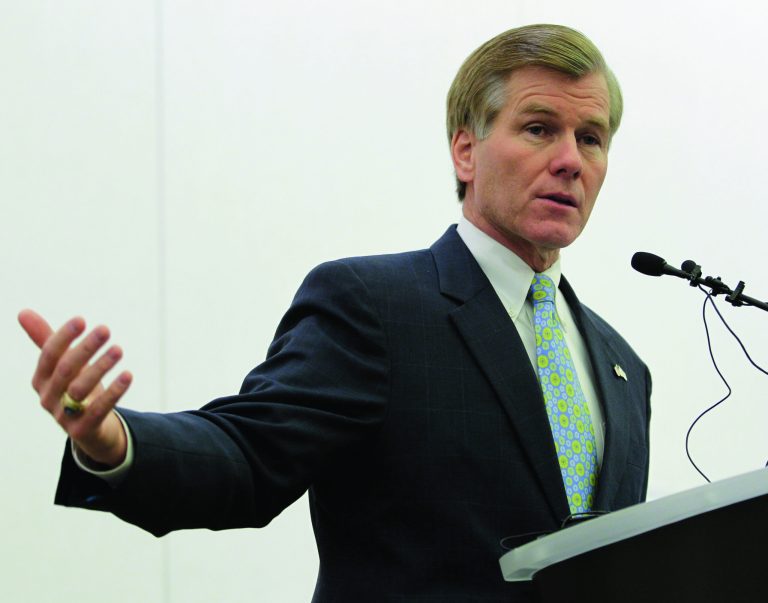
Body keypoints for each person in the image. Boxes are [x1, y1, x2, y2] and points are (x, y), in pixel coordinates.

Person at [19, 24, 651, 602]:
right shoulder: (376, 306)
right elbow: (248, 454)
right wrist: (114, 442)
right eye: (539, 128)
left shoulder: (625, 368)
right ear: (465, 151)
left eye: (590, 138)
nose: (570, 159)